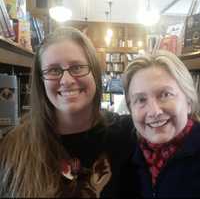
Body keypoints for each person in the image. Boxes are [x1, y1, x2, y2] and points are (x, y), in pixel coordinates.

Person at [0, 27, 135, 198]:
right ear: (41, 81)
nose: (66, 81)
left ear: (94, 72)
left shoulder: (127, 134)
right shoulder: (12, 147)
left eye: (77, 67)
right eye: (54, 70)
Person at [122, 50, 200, 197]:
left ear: (188, 101)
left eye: (165, 95)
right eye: (141, 100)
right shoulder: (128, 156)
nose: (154, 112)